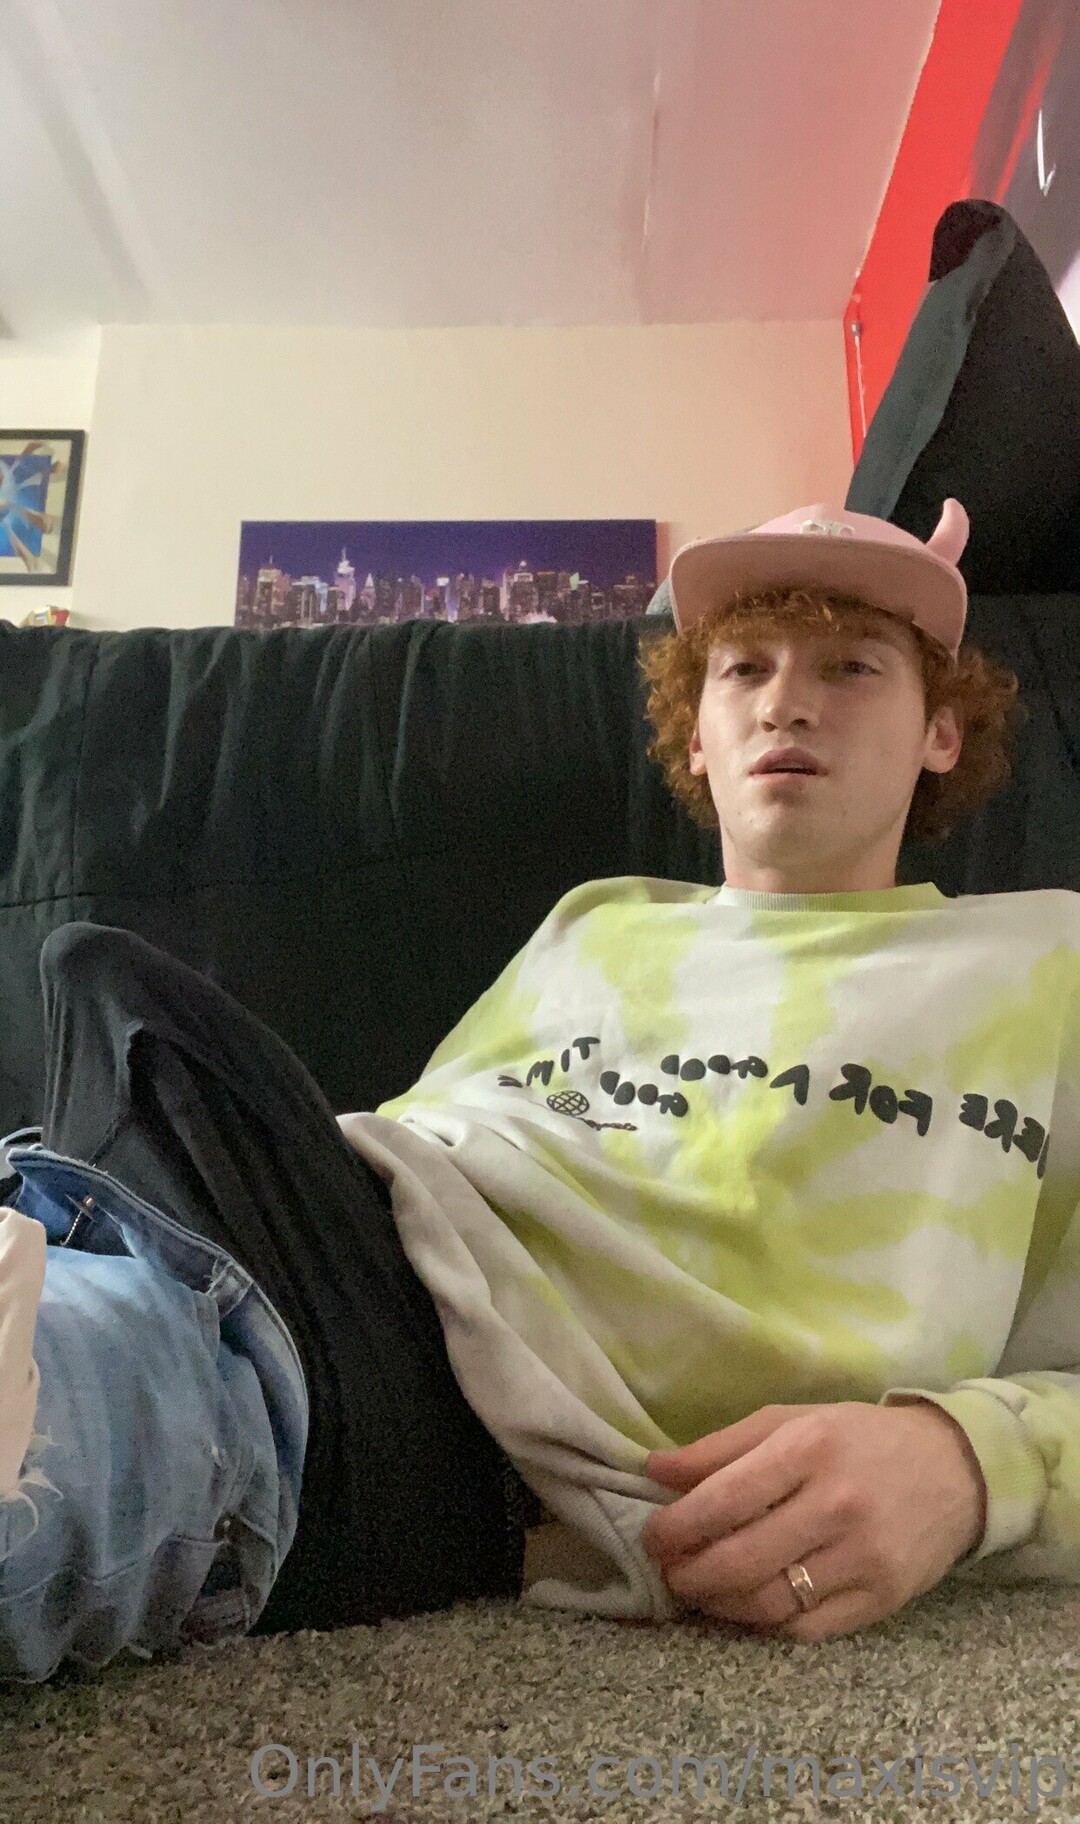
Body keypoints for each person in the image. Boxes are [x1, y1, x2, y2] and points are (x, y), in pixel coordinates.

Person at [1, 499, 1077, 1683]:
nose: (786, 703)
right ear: (699, 737)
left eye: (852, 666)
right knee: (103, 1004)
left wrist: (973, 1464)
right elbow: (422, 1148)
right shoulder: (597, 923)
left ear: (941, 732)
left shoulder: (1045, 963)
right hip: (310, 1238)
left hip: (404, 1405)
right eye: (744, 670)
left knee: (102, 1364)